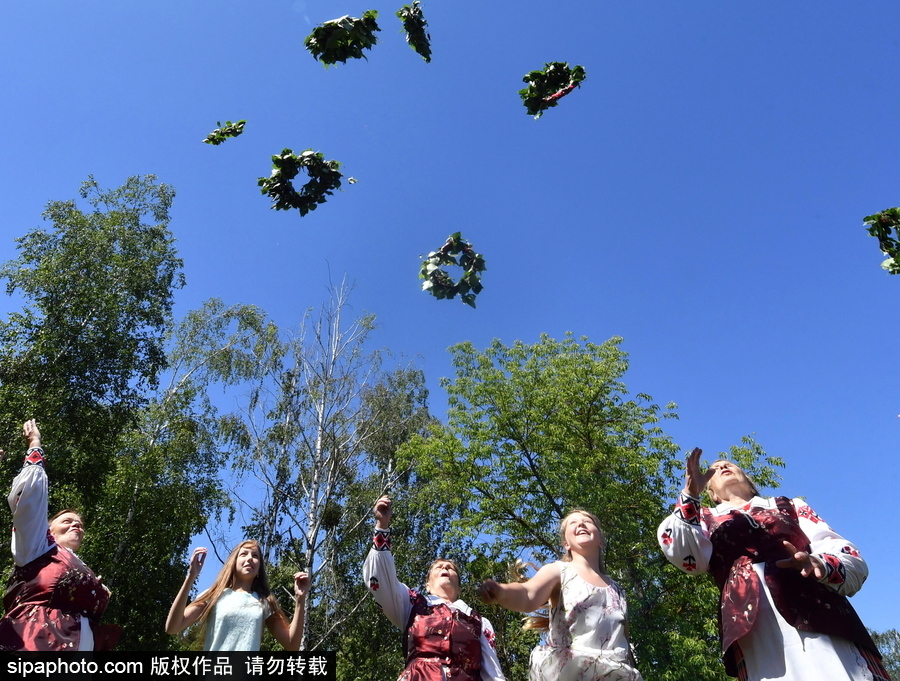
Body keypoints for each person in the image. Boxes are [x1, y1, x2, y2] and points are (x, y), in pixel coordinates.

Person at [657, 447, 891, 681]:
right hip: (755, 626)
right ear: (712, 493)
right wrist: (690, 496)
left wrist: (820, 563)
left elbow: (839, 548)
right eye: (715, 469)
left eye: (728, 464)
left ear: (748, 480)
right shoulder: (703, 519)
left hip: (819, 609)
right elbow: (686, 558)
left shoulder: (789, 505)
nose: (722, 467)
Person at [479, 510, 643, 681]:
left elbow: (623, 643)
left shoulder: (617, 590)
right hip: (571, 673)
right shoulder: (559, 571)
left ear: (601, 541)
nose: (580, 524)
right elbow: (528, 594)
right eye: (573, 523)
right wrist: (501, 592)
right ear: (566, 544)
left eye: (588, 521)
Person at [0, 419, 118, 651]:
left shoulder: (78, 565)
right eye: (67, 521)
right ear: (48, 529)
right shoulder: (39, 546)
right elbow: (29, 501)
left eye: (80, 524)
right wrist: (35, 443)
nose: (77, 525)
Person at [362, 495, 506, 681]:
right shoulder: (411, 604)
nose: (445, 567)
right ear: (427, 585)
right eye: (438, 567)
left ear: (459, 587)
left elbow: (493, 674)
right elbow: (381, 581)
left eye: (451, 568)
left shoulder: (479, 622)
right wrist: (382, 525)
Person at [165, 540, 309, 651]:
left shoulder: (264, 602)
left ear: (259, 568)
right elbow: (172, 627)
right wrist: (191, 577)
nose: (250, 558)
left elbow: (292, 644)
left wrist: (300, 600)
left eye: (255, 556)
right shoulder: (214, 595)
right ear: (233, 563)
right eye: (244, 554)